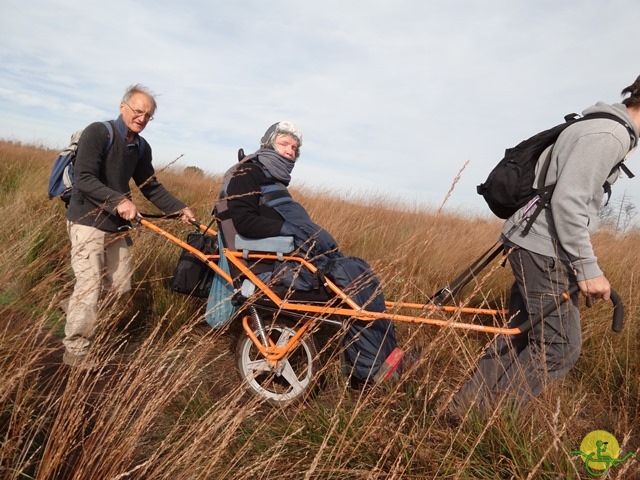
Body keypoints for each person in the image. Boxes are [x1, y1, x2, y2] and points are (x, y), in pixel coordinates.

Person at [450, 76, 640, 416]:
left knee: (519, 335)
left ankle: (463, 413)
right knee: (559, 347)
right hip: (543, 248)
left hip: (534, 242)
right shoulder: (609, 135)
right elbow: (569, 201)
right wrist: (587, 269)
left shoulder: (604, 126)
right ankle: (493, 422)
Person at [215, 121, 404, 384]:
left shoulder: (273, 179)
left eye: (295, 147)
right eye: (284, 144)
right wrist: (291, 232)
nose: (290, 150)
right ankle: (369, 371)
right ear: (269, 143)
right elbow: (244, 222)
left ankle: (386, 357)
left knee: (359, 273)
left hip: (293, 259)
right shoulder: (248, 172)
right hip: (269, 267)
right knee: (351, 277)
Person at [63, 84, 195, 367]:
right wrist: (118, 201)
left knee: (120, 286)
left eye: (148, 115)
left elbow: (151, 187)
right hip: (86, 221)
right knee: (89, 287)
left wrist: (179, 209)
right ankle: (76, 349)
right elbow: (84, 179)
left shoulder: (141, 146)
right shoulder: (98, 132)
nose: (142, 118)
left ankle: (74, 308)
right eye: (138, 111)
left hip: (116, 226)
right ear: (123, 107)